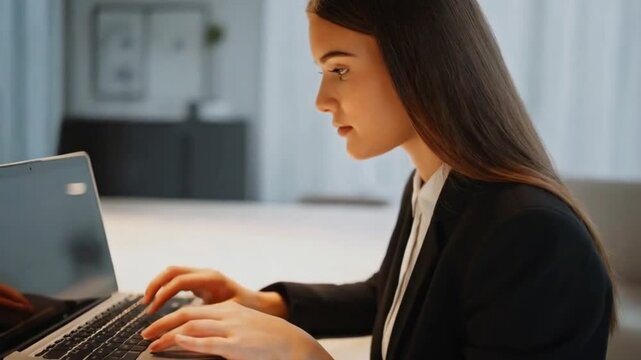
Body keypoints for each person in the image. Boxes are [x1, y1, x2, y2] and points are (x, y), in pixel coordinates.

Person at [139, 0, 617, 359]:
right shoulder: (435, 187)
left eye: (339, 69)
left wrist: (305, 355)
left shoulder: (531, 237)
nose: (321, 99)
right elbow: (393, 300)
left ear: (420, 65)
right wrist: (267, 304)